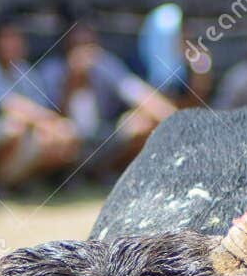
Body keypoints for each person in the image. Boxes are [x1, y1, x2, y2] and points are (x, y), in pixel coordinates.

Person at [41, 22, 175, 171]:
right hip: (68, 142)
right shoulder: (51, 71)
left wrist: (176, 121)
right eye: (78, 45)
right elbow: (51, 118)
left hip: (104, 138)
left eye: (89, 45)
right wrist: (71, 84)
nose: (85, 53)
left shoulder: (105, 65)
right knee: (59, 133)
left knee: (141, 123)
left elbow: (140, 94)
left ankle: (104, 171)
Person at [0, 18, 80, 188]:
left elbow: (42, 107)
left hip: (26, 136)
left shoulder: (25, 71)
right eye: (4, 38)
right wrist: (48, 122)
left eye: (14, 38)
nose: (9, 44)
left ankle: (19, 182)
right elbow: (9, 105)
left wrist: (52, 126)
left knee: (64, 134)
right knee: (12, 128)